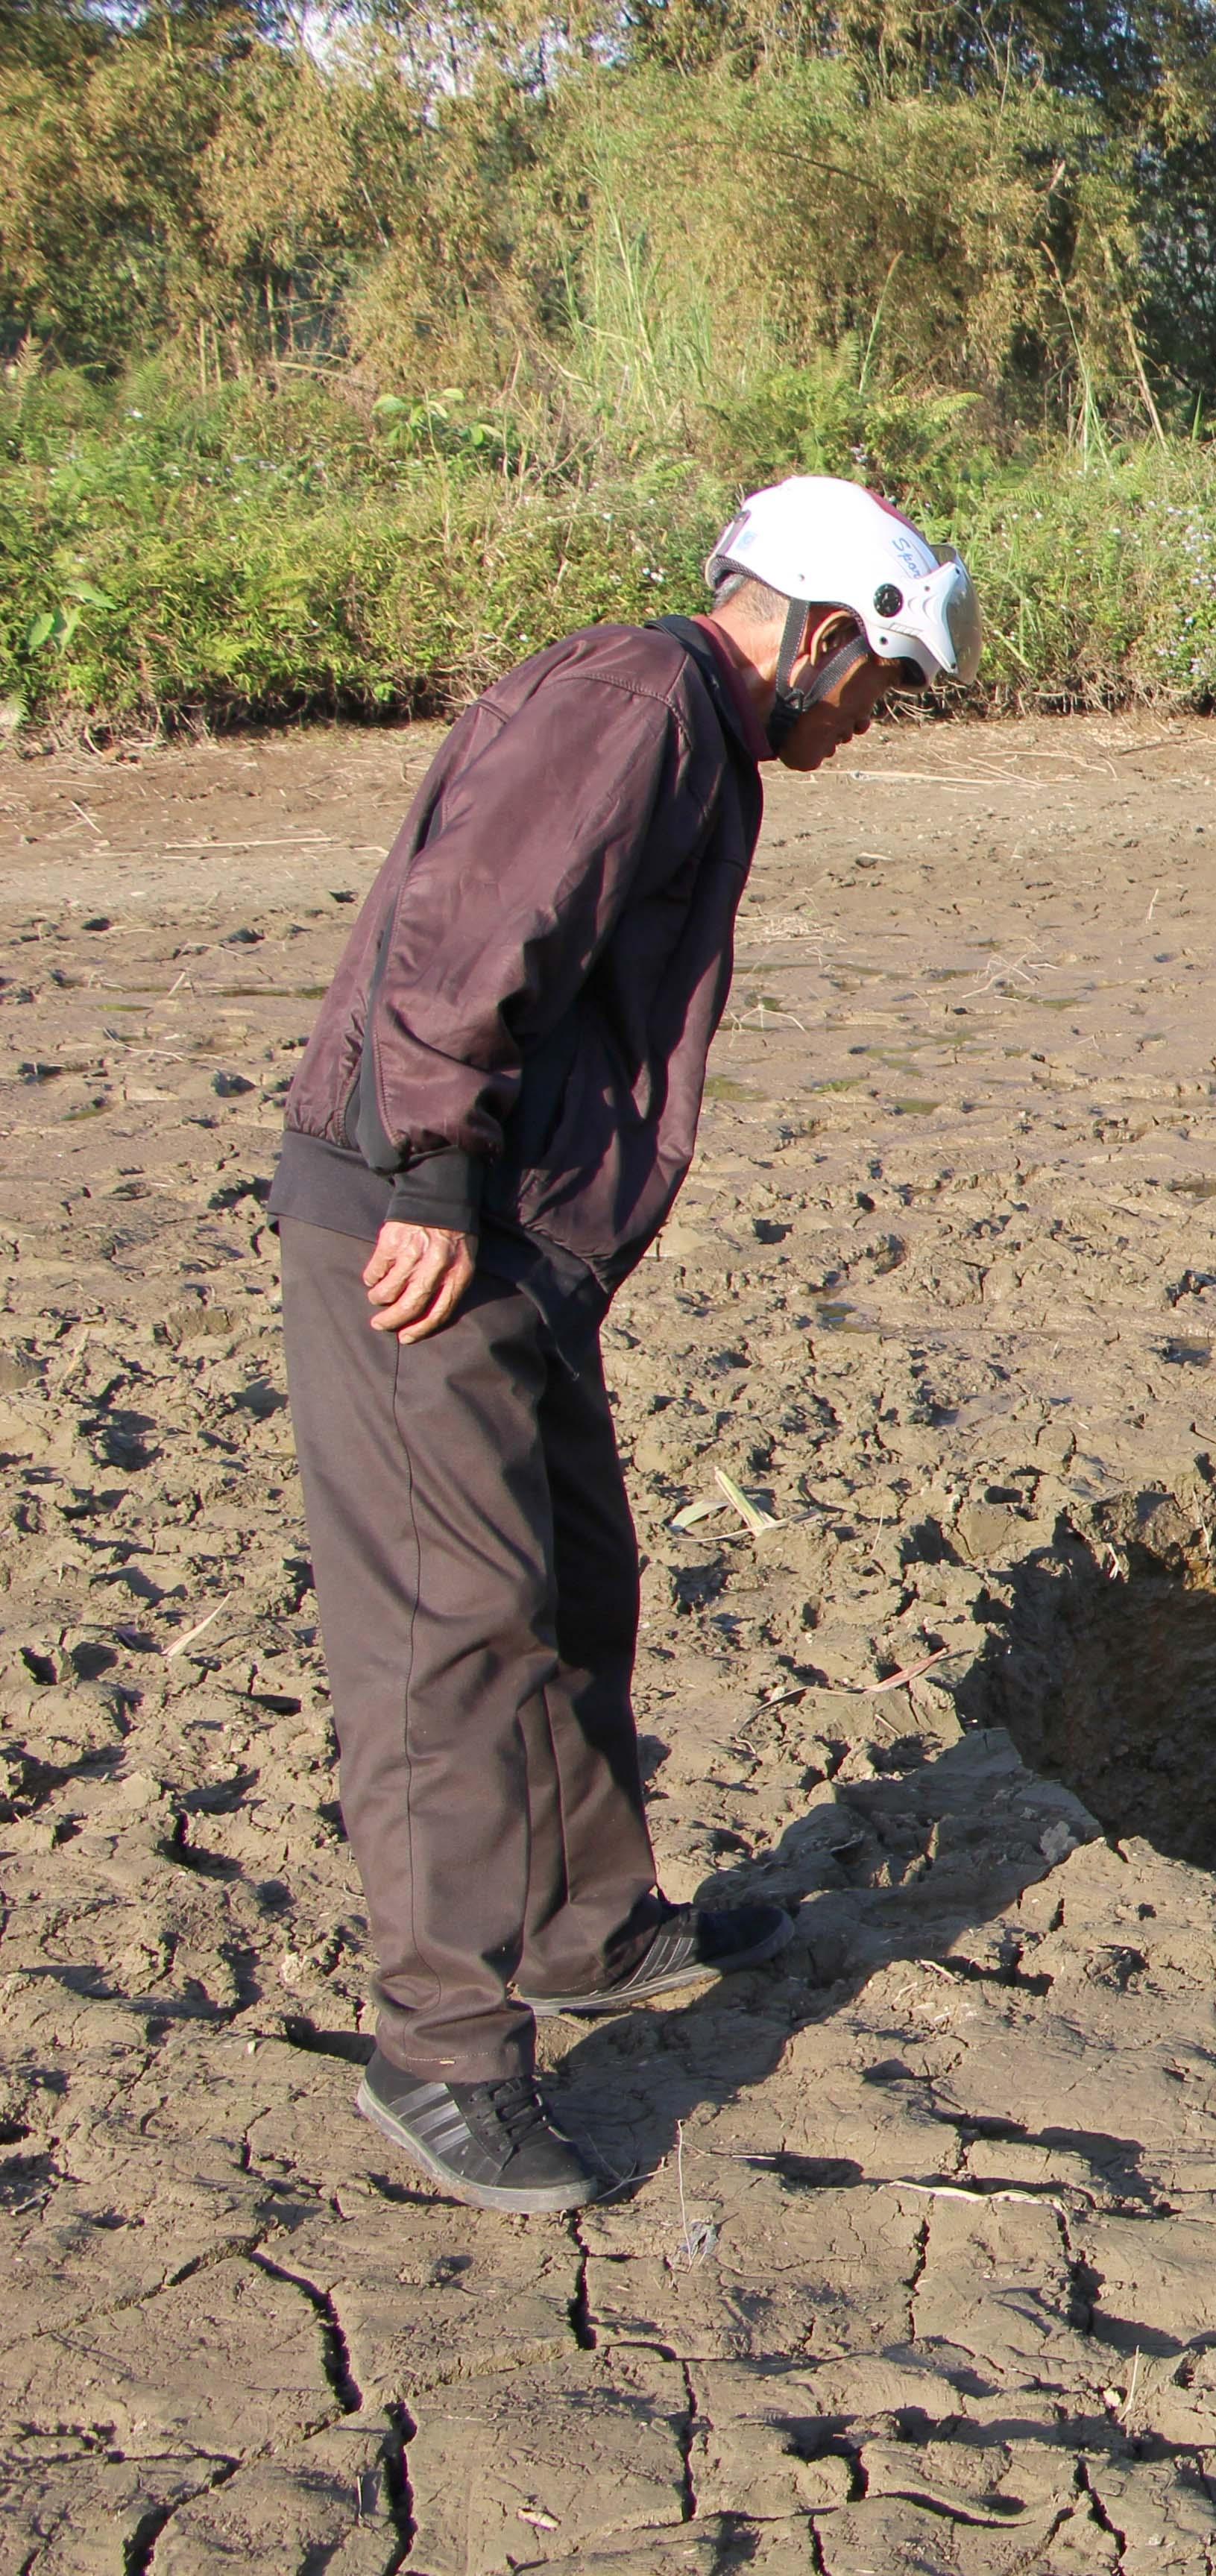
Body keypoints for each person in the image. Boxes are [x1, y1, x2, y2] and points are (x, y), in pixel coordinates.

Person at [271, 477, 980, 2209]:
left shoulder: (687, 730)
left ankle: (587, 1931)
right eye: (880, 683)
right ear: (822, 635)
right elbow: (467, 933)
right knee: (461, 1636)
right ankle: (439, 2050)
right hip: (425, 1226)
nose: (874, 722)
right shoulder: (638, 704)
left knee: (575, 1582)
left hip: (519, 1244)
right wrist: (435, 1173)